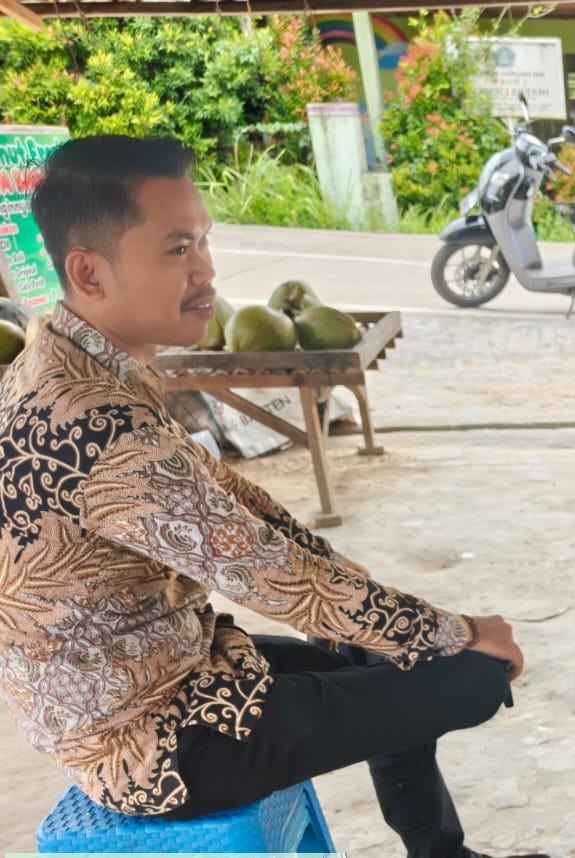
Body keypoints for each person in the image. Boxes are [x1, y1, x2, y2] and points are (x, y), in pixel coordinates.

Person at [0, 136, 545, 858]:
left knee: (391, 655)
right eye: (177, 249)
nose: (206, 270)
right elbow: (266, 573)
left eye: (203, 241)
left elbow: (243, 508)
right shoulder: (93, 424)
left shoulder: (69, 359)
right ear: (88, 272)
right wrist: (458, 635)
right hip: (154, 743)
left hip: (179, 668)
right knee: (471, 682)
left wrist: (399, 625)